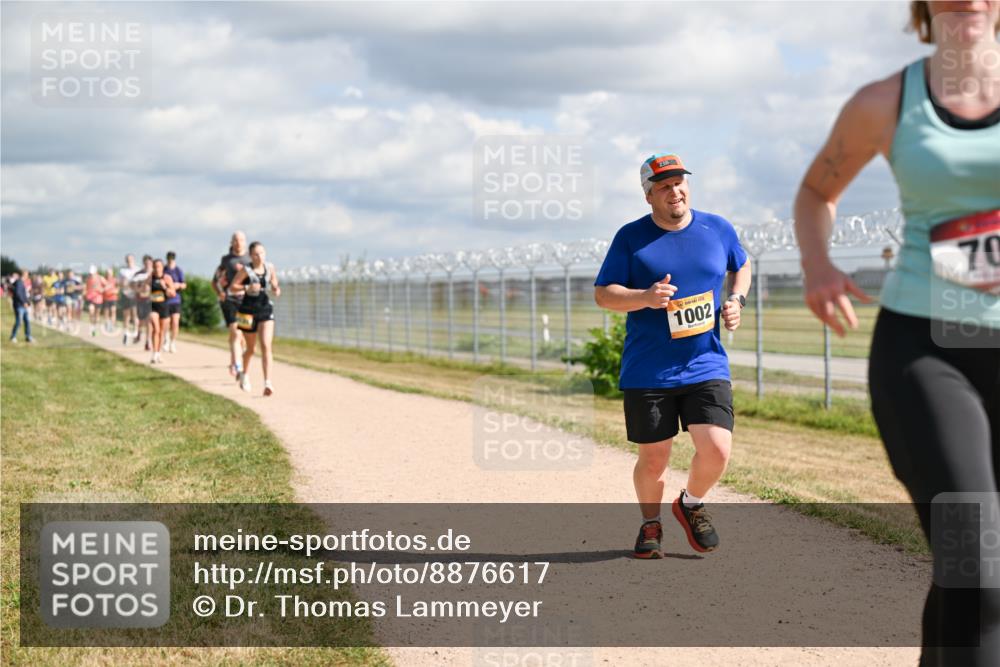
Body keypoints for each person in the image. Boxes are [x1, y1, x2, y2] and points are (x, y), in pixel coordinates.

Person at [793, 2, 1000, 664]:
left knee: (976, 576)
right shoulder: (884, 102)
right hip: (928, 350)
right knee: (976, 559)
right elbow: (815, 193)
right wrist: (818, 266)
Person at [594, 153, 752, 559]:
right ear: (648, 195)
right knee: (654, 460)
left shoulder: (717, 228)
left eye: (679, 182)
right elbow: (604, 294)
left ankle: (691, 504)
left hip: (705, 362)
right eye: (664, 186)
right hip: (649, 369)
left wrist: (736, 300)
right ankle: (651, 523)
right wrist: (644, 297)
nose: (674, 191)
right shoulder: (631, 238)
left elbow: (742, 264)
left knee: (717, 448)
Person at [232, 241, 281, 395]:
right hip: (247, 311)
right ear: (251, 256)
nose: (259, 257)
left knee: (266, 345)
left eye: (262, 253)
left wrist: (276, 289)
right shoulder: (246, 270)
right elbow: (233, 287)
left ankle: (268, 383)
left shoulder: (270, 267)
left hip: (265, 308)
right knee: (251, 349)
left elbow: (274, 283)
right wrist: (247, 287)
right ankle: (244, 374)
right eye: (256, 254)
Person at [214, 231, 251, 377]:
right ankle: (237, 365)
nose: (238, 242)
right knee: (235, 331)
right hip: (230, 300)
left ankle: (234, 360)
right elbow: (215, 280)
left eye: (241, 240)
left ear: (245, 242)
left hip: (247, 300)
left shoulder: (250, 258)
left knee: (241, 336)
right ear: (231, 242)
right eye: (235, 240)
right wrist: (220, 292)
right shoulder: (226, 260)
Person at [145, 259, 177, 364]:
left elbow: (173, 293)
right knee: (156, 329)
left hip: (164, 306)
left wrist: (165, 288)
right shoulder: (150, 278)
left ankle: (159, 353)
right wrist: (145, 291)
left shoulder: (167, 278)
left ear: (162, 267)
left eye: (158, 266)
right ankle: (154, 353)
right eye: (155, 266)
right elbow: (143, 289)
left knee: (162, 332)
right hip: (153, 306)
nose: (157, 268)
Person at [163, 251, 186, 353]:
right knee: (166, 322)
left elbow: (184, 284)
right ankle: (166, 340)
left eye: (172, 258)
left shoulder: (178, 270)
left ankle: (173, 342)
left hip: (176, 299)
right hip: (165, 299)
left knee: (175, 322)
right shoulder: (164, 270)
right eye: (169, 258)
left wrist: (178, 285)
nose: (170, 260)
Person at [132, 255, 153, 350]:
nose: (148, 264)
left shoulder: (155, 274)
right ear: (143, 263)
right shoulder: (138, 274)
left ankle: (148, 341)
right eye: (146, 263)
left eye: (149, 263)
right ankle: (139, 333)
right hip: (140, 300)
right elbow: (133, 286)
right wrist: (140, 291)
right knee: (141, 321)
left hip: (151, 301)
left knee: (149, 321)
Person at [119, 254, 139, 345]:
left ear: (133, 259)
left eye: (130, 259)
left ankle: (136, 333)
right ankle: (126, 333)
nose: (129, 261)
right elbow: (120, 283)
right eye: (128, 259)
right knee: (126, 316)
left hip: (135, 295)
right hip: (125, 295)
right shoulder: (122, 271)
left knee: (135, 315)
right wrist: (123, 283)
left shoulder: (138, 270)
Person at [8, 270, 33, 343]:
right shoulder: (19, 282)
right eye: (27, 275)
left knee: (27, 321)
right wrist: (24, 302)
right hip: (19, 306)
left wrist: (27, 302)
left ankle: (28, 337)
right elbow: (18, 294)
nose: (28, 276)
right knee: (18, 322)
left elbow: (23, 294)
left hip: (23, 306)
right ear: (24, 275)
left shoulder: (21, 282)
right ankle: (13, 336)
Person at [84, 265, 105, 337]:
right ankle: (92, 326)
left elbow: (106, 285)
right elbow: (86, 287)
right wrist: (85, 293)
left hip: (98, 298)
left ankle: (95, 328)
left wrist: (102, 289)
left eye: (92, 273)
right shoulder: (88, 278)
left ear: (96, 272)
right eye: (90, 273)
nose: (91, 274)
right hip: (91, 298)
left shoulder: (100, 278)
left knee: (97, 315)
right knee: (91, 311)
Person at [101, 267, 118, 332]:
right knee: (106, 313)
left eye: (110, 273)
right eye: (108, 273)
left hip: (113, 298)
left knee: (113, 311)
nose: (109, 274)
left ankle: (112, 326)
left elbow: (118, 288)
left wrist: (116, 291)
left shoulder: (115, 280)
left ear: (112, 273)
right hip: (105, 298)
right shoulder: (103, 280)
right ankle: (107, 325)